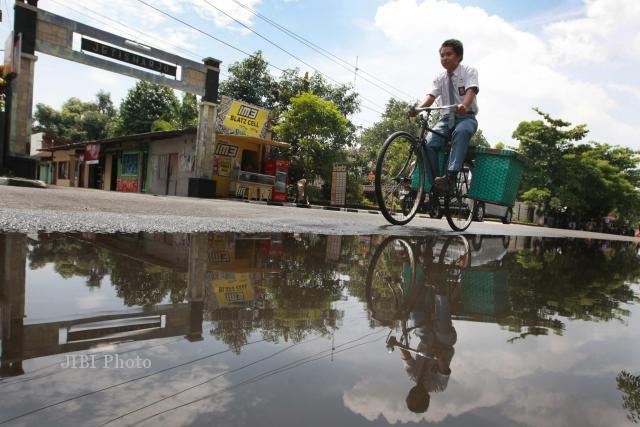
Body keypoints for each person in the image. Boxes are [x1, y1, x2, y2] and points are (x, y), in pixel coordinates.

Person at [409, 39, 479, 193]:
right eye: (442, 55)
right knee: (427, 145)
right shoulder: (439, 78)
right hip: (446, 119)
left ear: (459, 56)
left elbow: (471, 90)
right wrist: (418, 109)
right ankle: (436, 183)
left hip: (466, 117)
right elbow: (431, 97)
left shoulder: (468, 71)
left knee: (461, 132)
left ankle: (451, 177)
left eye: (449, 54)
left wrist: (464, 106)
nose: (444, 58)